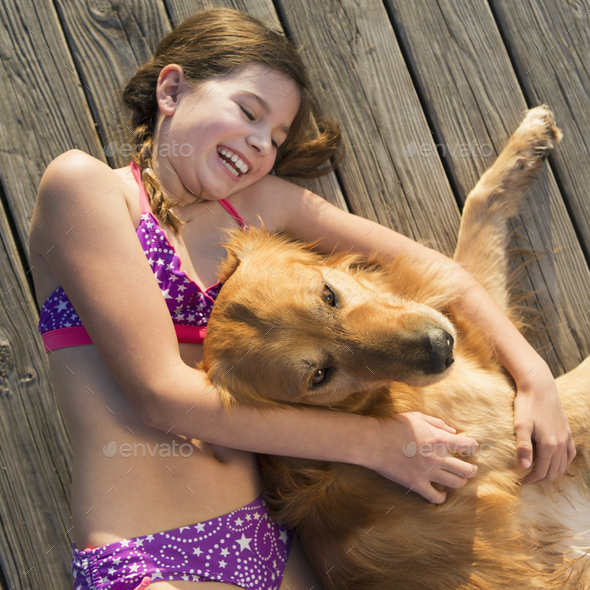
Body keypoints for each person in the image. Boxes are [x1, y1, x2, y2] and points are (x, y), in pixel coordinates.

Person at [28, 8, 575, 590]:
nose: (261, 142)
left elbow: (426, 267)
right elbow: (162, 397)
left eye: (277, 137)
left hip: (278, 550)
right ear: (171, 88)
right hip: (151, 554)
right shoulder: (84, 188)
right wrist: (381, 442)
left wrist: (533, 374)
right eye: (248, 111)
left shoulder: (261, 203)